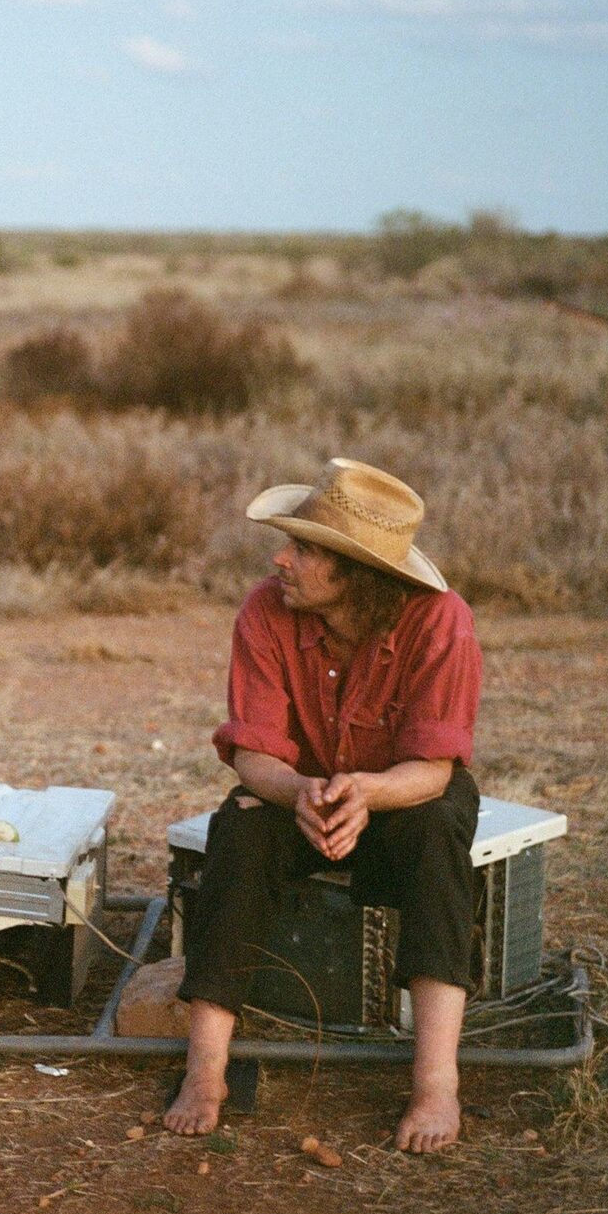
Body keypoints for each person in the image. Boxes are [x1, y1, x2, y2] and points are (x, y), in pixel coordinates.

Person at [165, 458, 482, 1153]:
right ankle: (205, 1070)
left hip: (404, 795)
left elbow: (433, 765)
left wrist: (366, 790)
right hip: (298, 790)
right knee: (239, 829)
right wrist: (301, 792)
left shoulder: (441, 620)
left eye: (304, 548)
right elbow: (253, 754)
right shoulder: (263, 611)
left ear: (356, 574)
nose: (281, 558)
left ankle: (435, 1083)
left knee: (440, 836)